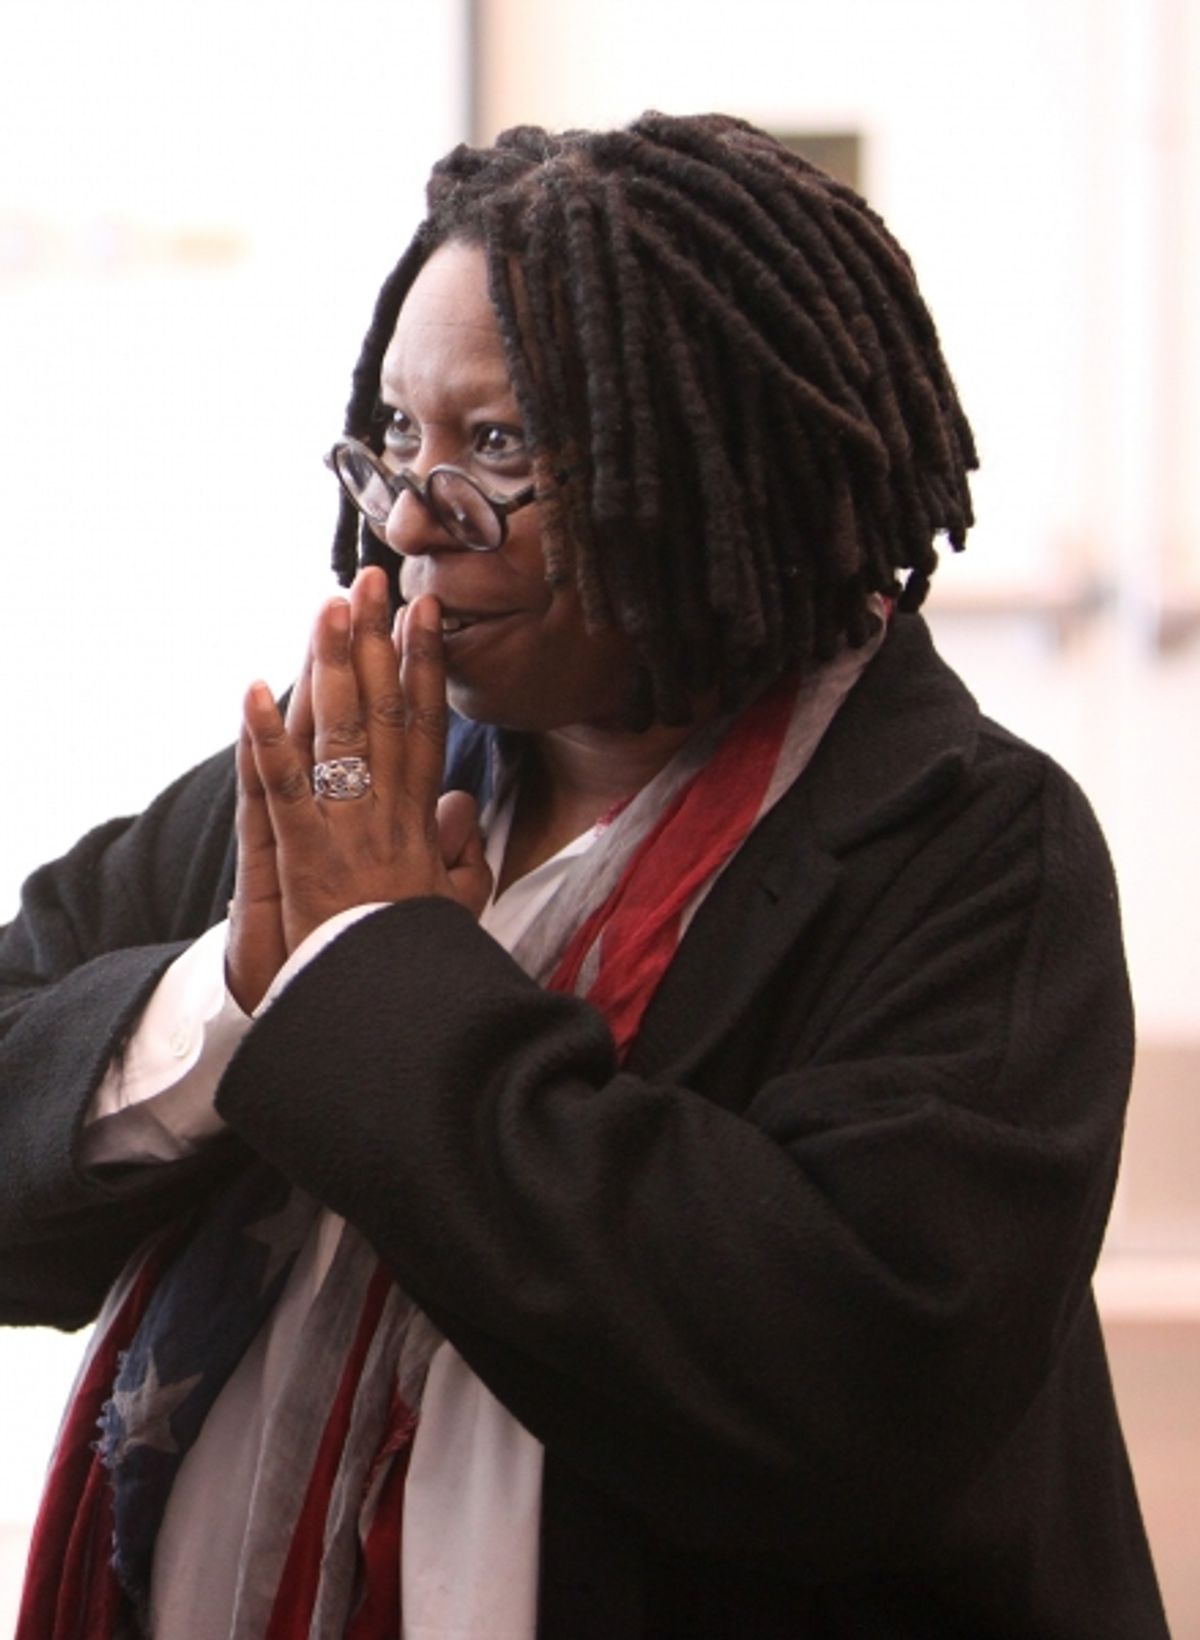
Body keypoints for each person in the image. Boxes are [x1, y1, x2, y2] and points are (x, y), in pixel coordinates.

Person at [1, 112, 1167, 1639]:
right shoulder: (337, 779)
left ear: (714, 464)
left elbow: (835, 1406)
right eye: (397, 442)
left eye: (498, 448)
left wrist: (363, 972)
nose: (416, 517)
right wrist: (230, 996)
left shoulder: (971, 846)